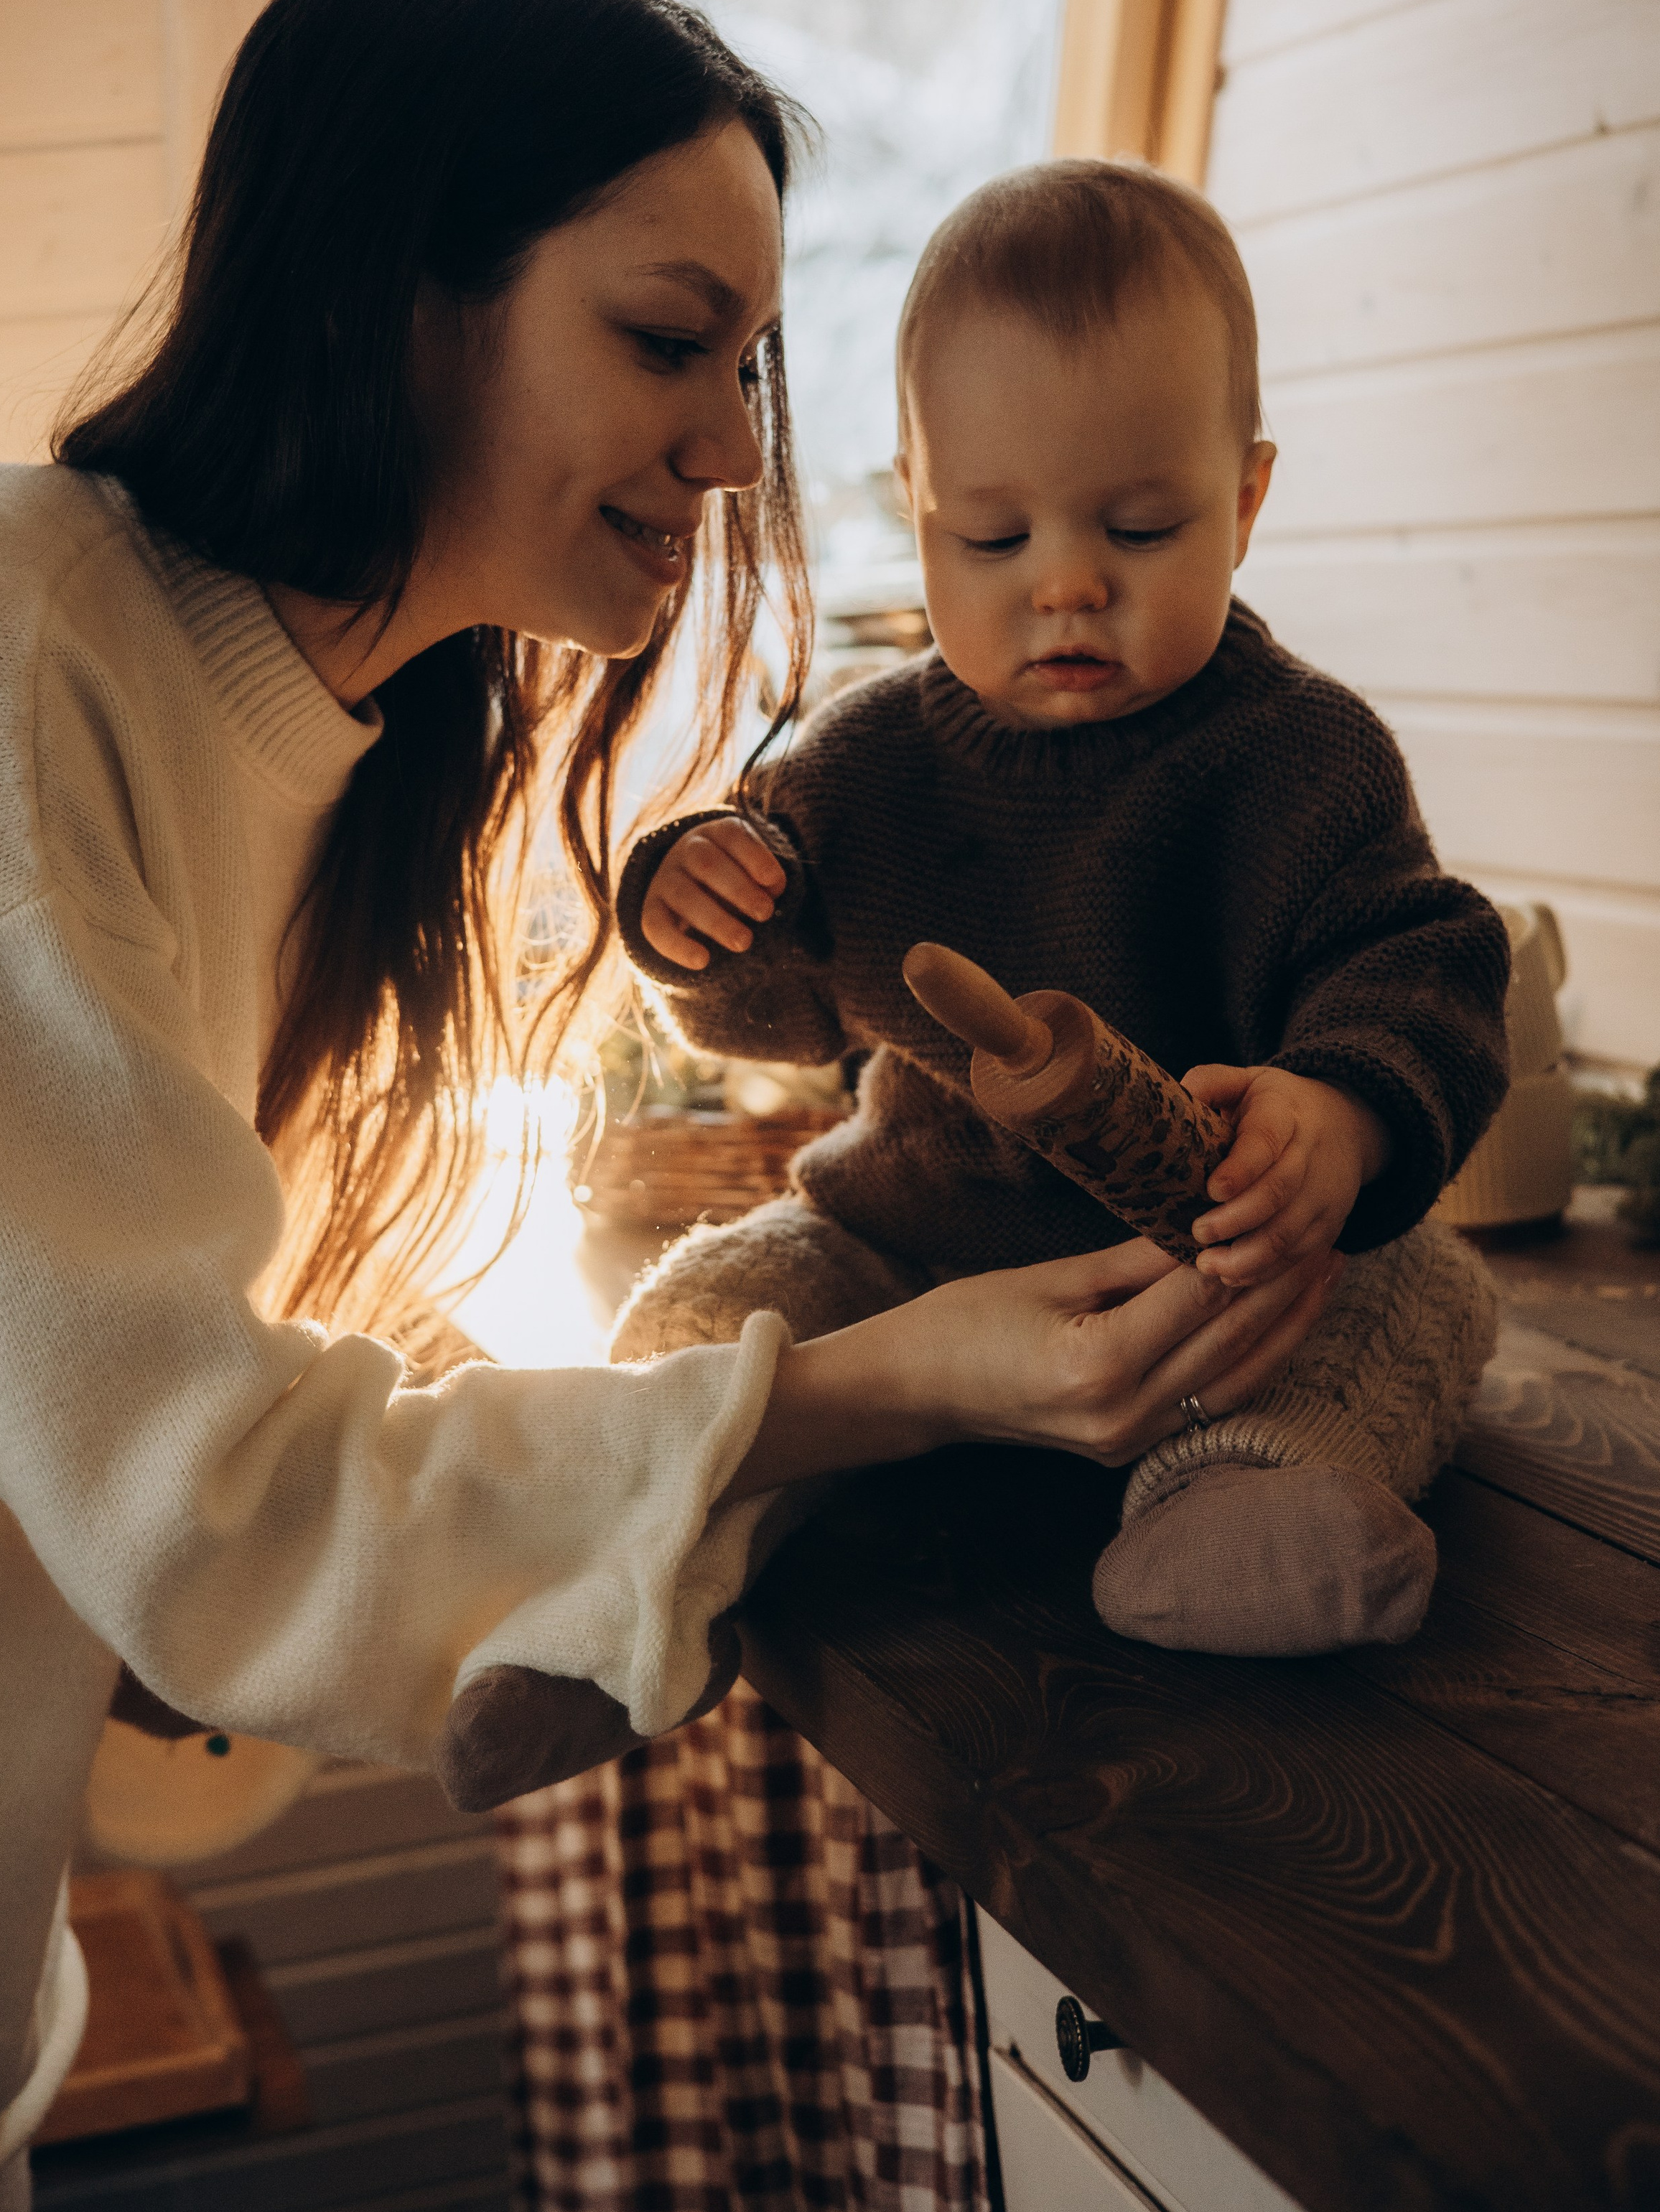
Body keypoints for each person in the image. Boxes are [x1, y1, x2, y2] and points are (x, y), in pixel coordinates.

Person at [0, 0, 1338, 2212]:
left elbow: (158, 1447)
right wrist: (876, 1385)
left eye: (751, 369)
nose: (734, 452)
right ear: (389, 282)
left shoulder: (345, 787)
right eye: (665, 343)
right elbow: (224, 1520)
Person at [611, 159, 1509, 1659]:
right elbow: (765, 1014)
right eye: (994, 539)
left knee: (1416, 1304)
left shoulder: (1300, 758)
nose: (1066, 587)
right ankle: (641, 1584)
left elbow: (1419, 968)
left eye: (1141, 531)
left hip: (1206, 1295)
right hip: (904, 1268)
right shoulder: (858, 763)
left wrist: (1337, 1120)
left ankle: (1227, 1515)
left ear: (1244, 498)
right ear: (917, 513)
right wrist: (692, 909)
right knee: (703, 1324)